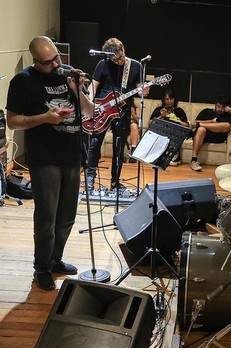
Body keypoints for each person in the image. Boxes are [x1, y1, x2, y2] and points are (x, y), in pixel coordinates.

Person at [5, 36, 93, 291]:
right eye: (49, 62)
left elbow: (88, 113)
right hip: (45, 158)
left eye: (58, 57)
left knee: (66, 217)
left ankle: (55, 260)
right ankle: (41, 268)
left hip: (72, 155)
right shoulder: (23, 80)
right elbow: (12, 121)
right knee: (47, 218)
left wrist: (78, 90)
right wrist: (45, 118)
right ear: (36, 61)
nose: (56, 64)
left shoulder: (68, 76)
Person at [85, 38, 148, 191]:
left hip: (123, 111)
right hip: (101, 109)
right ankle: (89, 180)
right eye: (115, 59)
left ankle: (115, 182)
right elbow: (93, 87)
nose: (119, 61)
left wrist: (144, 90)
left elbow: (140, 91)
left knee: (118, 147)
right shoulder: (103, 64)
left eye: (121, 57)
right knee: (94, 145)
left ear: (123, 49)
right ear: (109, 57)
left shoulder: (135, 66)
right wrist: (89, 107)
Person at [189, 96, 231, 171]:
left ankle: (201, 125)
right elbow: (195, 122)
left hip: (217, 137)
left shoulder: (228, 116)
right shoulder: (207, 111)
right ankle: (193, 160)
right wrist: (211, 121)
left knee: (227, 125)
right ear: (215, 105)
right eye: (218, 106)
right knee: (201, 129)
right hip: (203, 135)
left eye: (223, 107)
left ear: (226, 108)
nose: (220, 109)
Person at [148, 88, 189, 166]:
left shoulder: (179, 110)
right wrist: (161, 116)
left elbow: (186, 125)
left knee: (172, 123)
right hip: (161, 131)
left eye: (171, 99)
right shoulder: (159, 109)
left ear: (174, 99)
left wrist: (176, 120)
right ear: (164, 100)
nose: (169, 101)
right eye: (167, 99)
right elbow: (150, 123)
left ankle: (175, 155)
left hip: (174, 132)